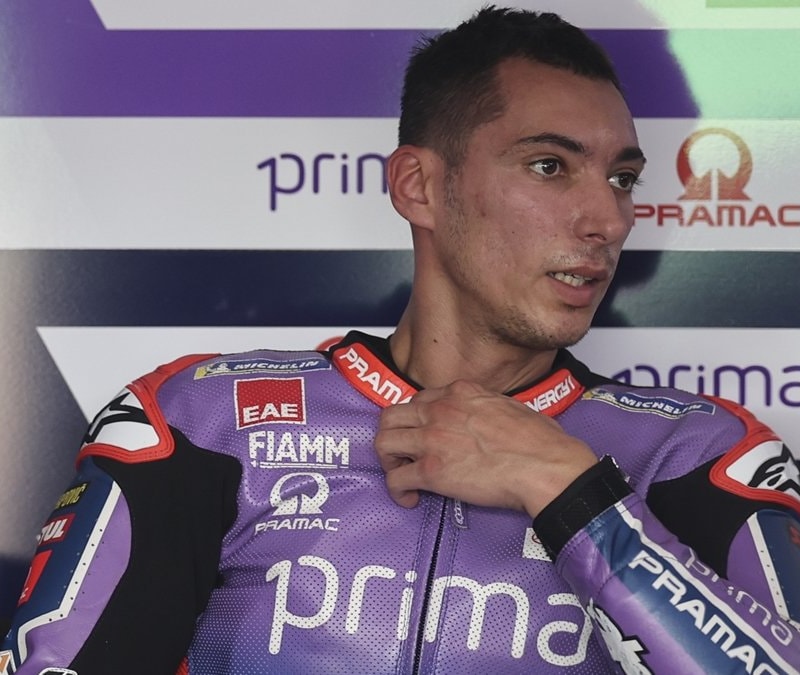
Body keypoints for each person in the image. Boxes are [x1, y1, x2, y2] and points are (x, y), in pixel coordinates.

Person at [2, 6, 799, 674]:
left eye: (622, 178)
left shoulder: (697, 454)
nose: (608, 220)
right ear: (419, 186)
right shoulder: (200, 420)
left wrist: (573, 493)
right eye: (550, 166)